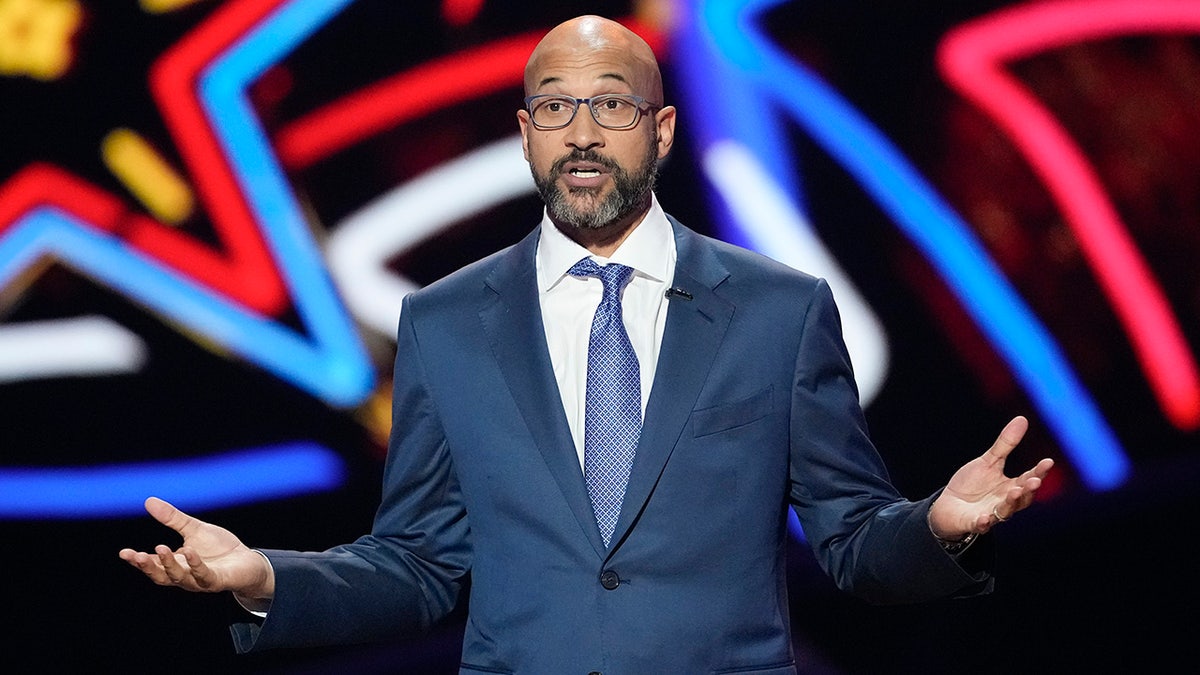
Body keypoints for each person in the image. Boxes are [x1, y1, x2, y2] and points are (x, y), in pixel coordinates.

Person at [119, 15, 1054, 674]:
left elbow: (852, 540)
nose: (582, 135)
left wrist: (932, 524)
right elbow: (413, 566)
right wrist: (265, 577)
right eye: (555, 109)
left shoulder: (777, 309)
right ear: (526, 135)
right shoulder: (444, 323)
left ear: (662, 128)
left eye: (611, 107)